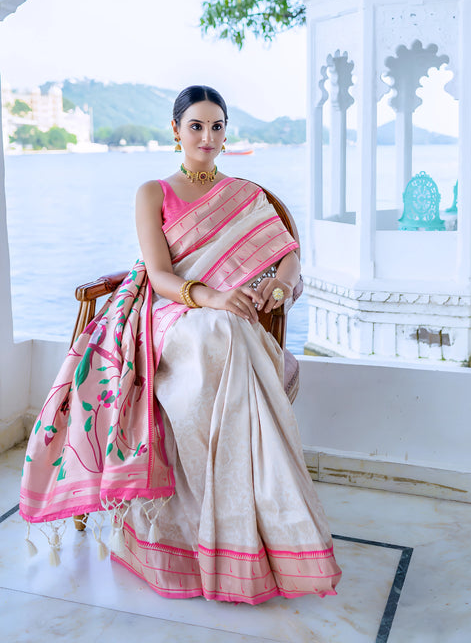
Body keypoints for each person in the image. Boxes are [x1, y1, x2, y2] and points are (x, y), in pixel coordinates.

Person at [20, 85, 341, 604]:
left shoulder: (246, 195)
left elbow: (288, 256)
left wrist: (277, 286)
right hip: (170, 311)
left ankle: (243, 534)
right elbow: (162, 276)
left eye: (216, 126)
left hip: (226, 318)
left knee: (230, 329)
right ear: (176, 131)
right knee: (223, 327)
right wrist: (212, 296)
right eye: (196, 126)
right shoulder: (153, 192)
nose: (207, 136)